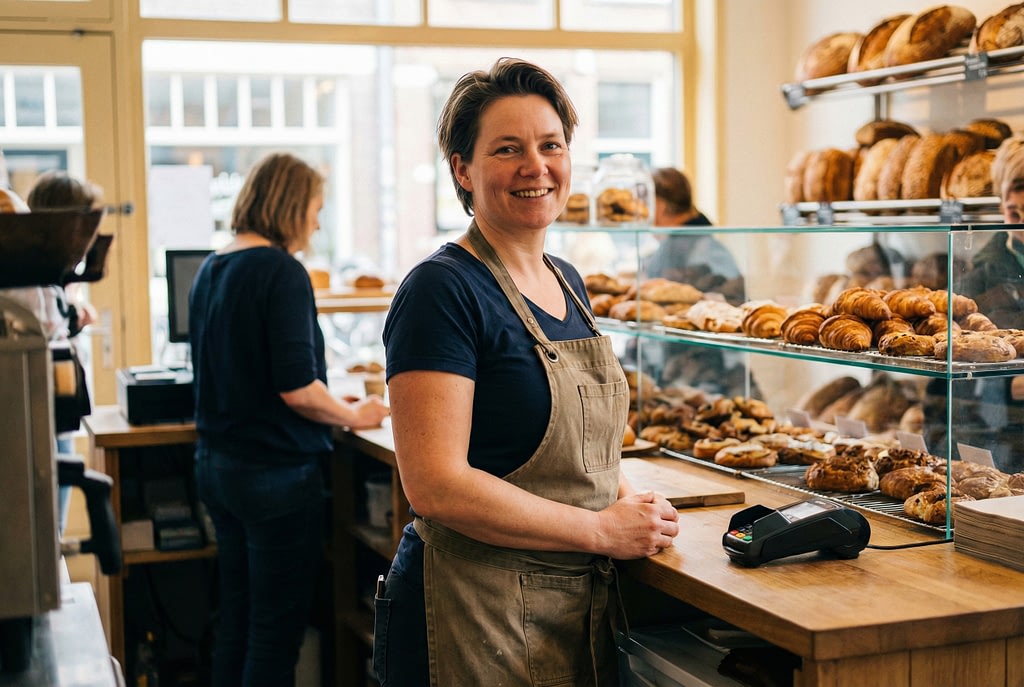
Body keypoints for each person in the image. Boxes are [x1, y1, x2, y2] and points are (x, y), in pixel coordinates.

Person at [374, 58, 680, 687]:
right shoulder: (441, 290)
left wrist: (627, 499)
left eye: (551, 145)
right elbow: (434, 485)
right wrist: (598, 528)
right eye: (507, 149)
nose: (535, 167)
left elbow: (576, 448)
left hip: (570, 605)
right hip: (472, 611)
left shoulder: (567, 280)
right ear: (462, 168)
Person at [189, 152, 389, 687]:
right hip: (273, 475)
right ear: (291, 205)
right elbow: (298, 389)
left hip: (217, 468)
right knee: (275, 633)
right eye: (316, 209)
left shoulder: (213, 267)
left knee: (236, 617)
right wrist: (352, 413)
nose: (318, 223)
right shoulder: (280, 271)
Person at [0, 171, 101, 535]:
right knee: (46, 530)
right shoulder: (29, 266)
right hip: (33, 404)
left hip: (49, 402)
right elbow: (39, 328)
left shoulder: (47, 271)